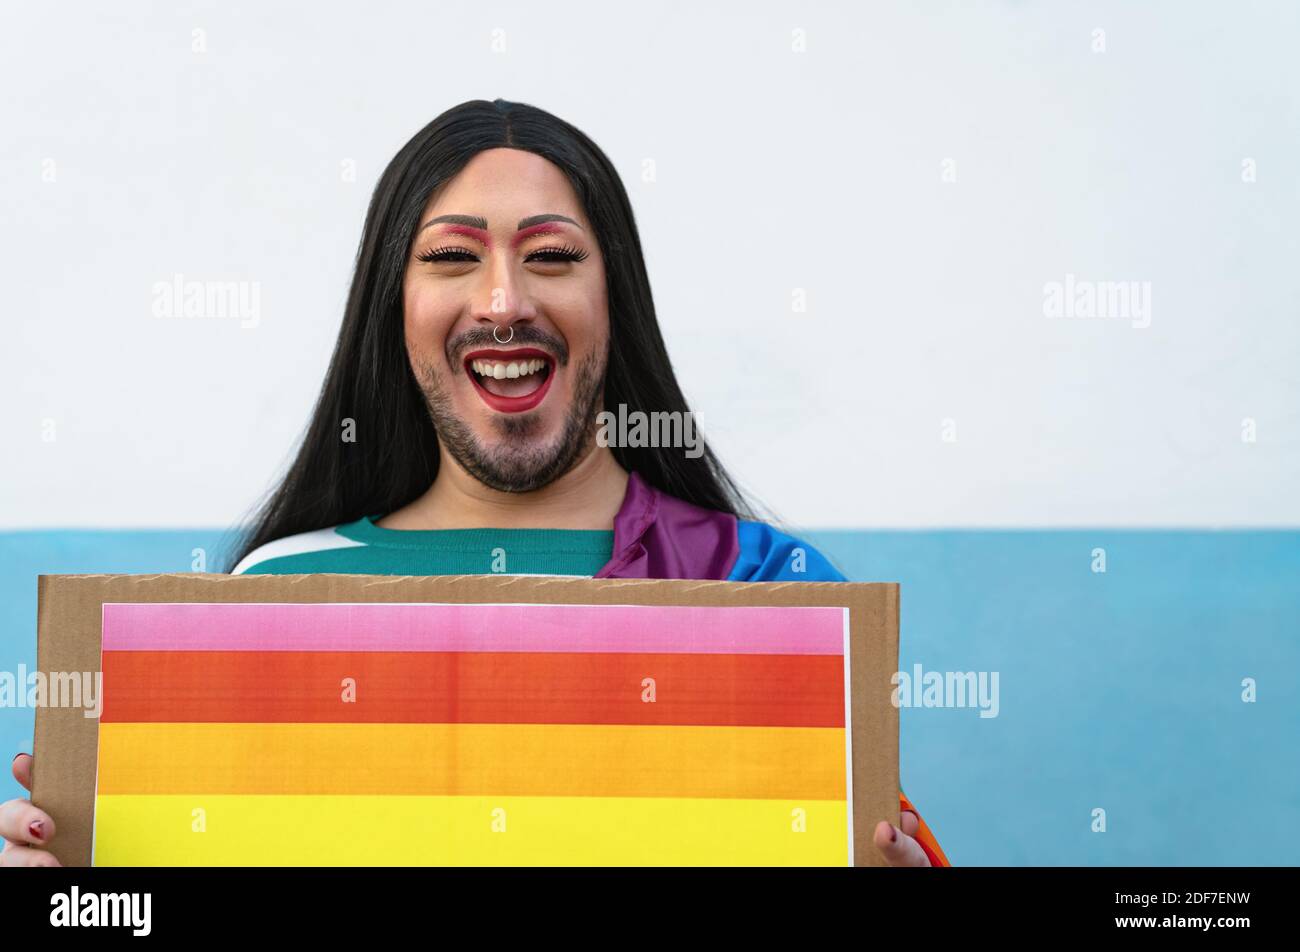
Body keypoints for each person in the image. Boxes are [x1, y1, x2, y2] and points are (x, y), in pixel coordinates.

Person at [0, 99, 948, 867]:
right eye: (452, 257)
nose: (504, 301)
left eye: (552, 257)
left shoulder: (778, 598)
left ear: (615, 302)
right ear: (396, 309)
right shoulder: (281, 596)